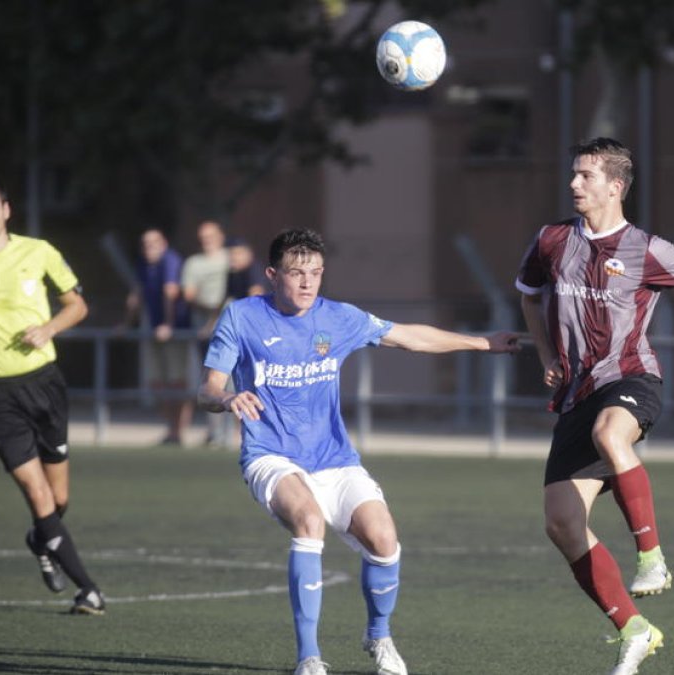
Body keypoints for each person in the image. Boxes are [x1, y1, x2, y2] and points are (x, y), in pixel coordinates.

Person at [197, 228, 519, 675]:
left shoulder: (338, 318)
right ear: (273, 275)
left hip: (333, 457)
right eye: (295, 273)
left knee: (384, 539)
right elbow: (208, 388)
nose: (307, 283)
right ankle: (309, 658)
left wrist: (481, 342)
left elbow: (409, 337)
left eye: (314, 273)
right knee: (309, 521)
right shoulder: (242, 317)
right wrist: (228, 397)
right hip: (270, 453)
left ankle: (379, 636)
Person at [515, 138, 674, 675]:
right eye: (573, 174)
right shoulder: (552, 241)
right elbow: (529, 294)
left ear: (615, 187)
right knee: (561, 523)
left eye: (586, 176)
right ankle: (634, 628)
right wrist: (547, 355)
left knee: (610, 434)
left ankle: (652, 558)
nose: (574, 184)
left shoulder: (646, 248)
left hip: (631, 379)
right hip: (575, 393)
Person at [0, 178, 106, 615]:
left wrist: (48, 329)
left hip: (44, 386)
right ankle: (89, 590)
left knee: (58, 502)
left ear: (7, 210)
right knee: (39, 497)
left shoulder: (38, 251)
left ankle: (39, 539)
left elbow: (77, 305)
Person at [123, 227, 194, 445]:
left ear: (163, 243)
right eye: (144, 244)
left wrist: (169, 325)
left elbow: (170, 293)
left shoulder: (170, 260)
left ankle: (178, 431)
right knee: (156, 382)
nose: (148, 248)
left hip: (175, 330)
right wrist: (126, 323)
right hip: (153, 330)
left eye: (153, 243)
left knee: (176, 381)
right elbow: (137, 295)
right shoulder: (144, 264)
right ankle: (171, 429)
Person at [182, 220, 230, 447]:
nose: (206, 240)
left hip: (232, 328)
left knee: (240, 381)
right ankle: (216, 433)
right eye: (202, 236)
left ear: (221, 236)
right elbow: (190, 294)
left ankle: (243, 435)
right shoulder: (194, 263)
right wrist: (212, 312)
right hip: (205, 331)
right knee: (211, 380)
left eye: (211, 235)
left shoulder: (231, 259)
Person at [225, 236, 269, 301]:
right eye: (231, 254)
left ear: (249, 254)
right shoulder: (234, 273)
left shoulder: (255, 270)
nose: (234, 258)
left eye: (238, 253)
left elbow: (255, 301)